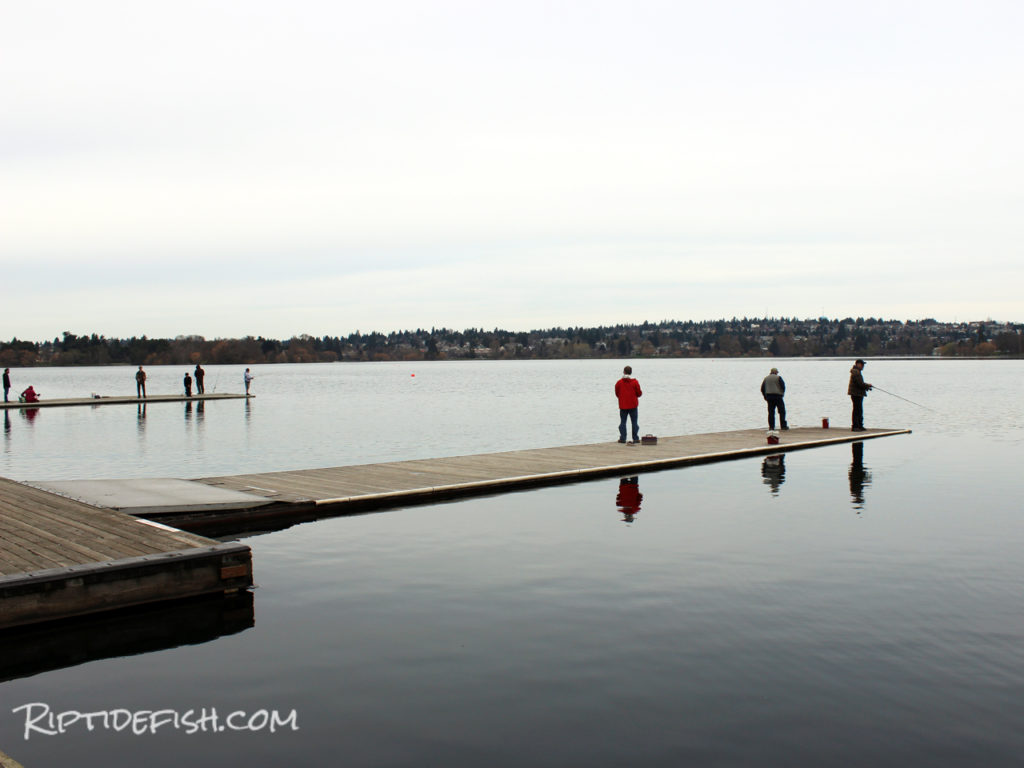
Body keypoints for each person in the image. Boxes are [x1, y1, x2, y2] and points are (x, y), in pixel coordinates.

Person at [614, 365, 642, 444]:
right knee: (634, 422)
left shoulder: (619, 382)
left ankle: (623, 438)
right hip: (633, 405)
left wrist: (621, 398)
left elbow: (617, 393)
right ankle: (635, 438)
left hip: (623, 405)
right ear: (631, 372)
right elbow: (639, 393)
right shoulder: (635, 382)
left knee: (623, 422)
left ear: (624, 372)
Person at [848, 359, 872, 431]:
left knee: (859, 410)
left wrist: (867, 386)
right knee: (857, 410)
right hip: (856, 394)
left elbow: (860, 384)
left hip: (857, 393)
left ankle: (859, 425)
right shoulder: (856, 372)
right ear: (858, 364)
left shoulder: (857, 372)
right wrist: (867, 386)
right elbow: (860, 384)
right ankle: (855, 426)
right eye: (862, 364)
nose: (863, 366)